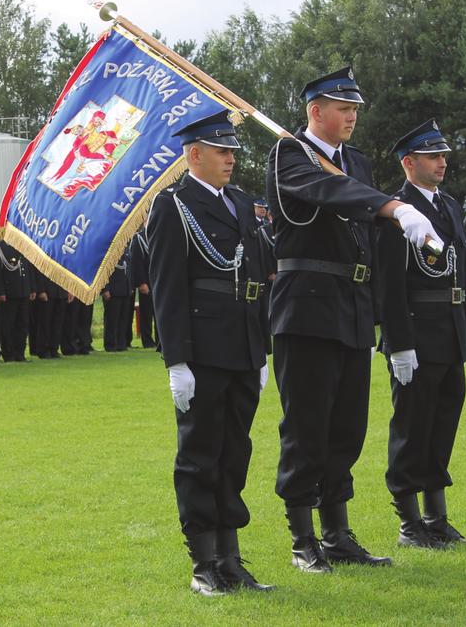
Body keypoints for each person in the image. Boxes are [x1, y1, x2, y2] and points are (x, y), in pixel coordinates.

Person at [265, 66, 439, 572]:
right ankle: (303, 538)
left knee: (347, 428)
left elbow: (367, 230)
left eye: (356, 110)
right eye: (343, 109)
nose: (352, 118)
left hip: (351, 303)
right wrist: (393, 205)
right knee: (306, 425)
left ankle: (337, 533)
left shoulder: (355, 162)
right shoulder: (288, 154)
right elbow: (330, 194)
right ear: (314, 111)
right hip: (306, 305)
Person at [148, 110, 273, 596]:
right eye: (222, 151)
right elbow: (167, 287)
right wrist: (176, 360)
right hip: (202, 350)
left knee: (235, 452)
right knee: (200, 454)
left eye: (233, 151)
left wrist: (261, 351)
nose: (230, 159)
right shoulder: (173, 206)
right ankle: (204, 564)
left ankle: (230, 557)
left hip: (242, 346)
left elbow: (256, 282)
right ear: (194, 154)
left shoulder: (241, 203)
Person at [377, 120, 466, 549]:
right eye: (433, 157)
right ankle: (409, 523)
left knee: (443, 422)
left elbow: (461, 271)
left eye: (443, 157)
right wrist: (399, 343)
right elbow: (388, 283)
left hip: (449, 330)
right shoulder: (395, 210)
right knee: (411, 426)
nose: (441, 163)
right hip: (416, 334)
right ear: (408, 162)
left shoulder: (450, 206)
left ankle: (437, 518)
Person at [0, 239, 35, 362]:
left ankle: (20, 353)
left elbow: (28, 268)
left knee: (23, 325)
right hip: (9, 293)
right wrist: (0, 292)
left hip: (23, 291)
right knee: (7, 325)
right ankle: (8, 354)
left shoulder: (22, 244)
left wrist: (31, 288)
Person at [129, 225, 156, 349]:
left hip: (158, 281)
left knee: (159, 313)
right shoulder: (139, 238)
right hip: (146, 282)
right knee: (146, 313)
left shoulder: (158, 233)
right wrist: (141, 282)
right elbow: (136, 262)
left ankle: (160, 339)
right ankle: (147, 340)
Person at [101, 246, 133, 352]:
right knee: (112, 320)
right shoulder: (108, 250)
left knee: (123, 319)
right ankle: (110, 344)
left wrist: (130, 286)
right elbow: (103, 271)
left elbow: (128, 269)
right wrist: (105, 289)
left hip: (125, 289)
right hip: (113, 290)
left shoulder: (126, 250)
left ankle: (121, 344)